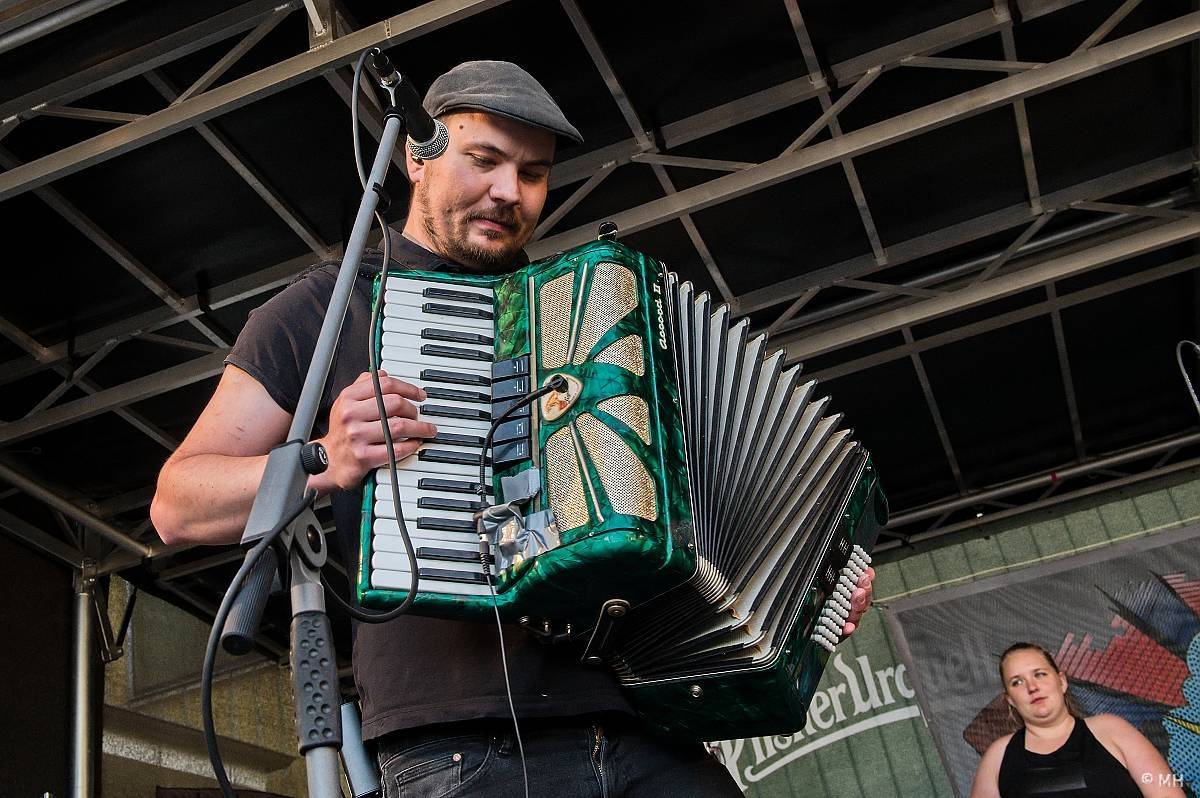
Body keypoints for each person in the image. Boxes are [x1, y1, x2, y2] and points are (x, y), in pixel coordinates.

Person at [151, 60, 876, 796]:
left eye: (533, 174)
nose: (510, 192)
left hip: (647, 728)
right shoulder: (324, 308)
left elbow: (700, 510)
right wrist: (323, 459)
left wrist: (805, 588)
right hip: (464, 748)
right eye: (485, 160)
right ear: (416, 157)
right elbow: (177, 504)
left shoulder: (592, 317)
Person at [969, 642, 1184, 798]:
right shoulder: (999, 755)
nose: (1032, 687)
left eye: (1040, 674)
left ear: (1061, 682)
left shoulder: (1110, 729)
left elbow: (1166, 792)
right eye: (1017, 682)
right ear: (1010, 700)